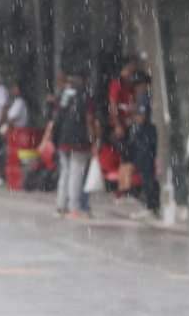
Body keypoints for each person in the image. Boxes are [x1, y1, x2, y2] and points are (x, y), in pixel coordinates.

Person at [43, 71, 98, 218]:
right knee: (76, 173)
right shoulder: (86, 94)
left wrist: (49, 137)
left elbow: (55, 118)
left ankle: (61, 206)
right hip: (79, 139)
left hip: (63, 139)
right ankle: (74, 207)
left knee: (65, 173)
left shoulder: (64, 95)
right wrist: (93, 141)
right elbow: (89, 119)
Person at [125, 74, 161, 218]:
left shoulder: (145, 97)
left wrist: (131, 114)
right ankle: (150, 203)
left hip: (145, 140)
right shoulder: (144, 97)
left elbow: (141, 118)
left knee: (147, 173)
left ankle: (151, 205)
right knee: (145, 172)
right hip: (144, 139)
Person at [108, 56, 138, 200]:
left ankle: (126, 186)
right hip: (122, 125)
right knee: (126, 157)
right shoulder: (117, 84)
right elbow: (113, 105)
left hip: (131, 124)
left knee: (130, 156)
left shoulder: (130, 85)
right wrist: (118, 125)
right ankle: (124, 187)